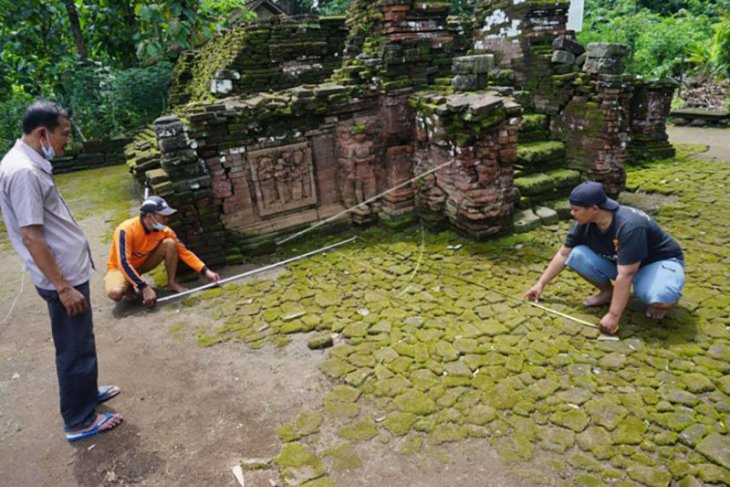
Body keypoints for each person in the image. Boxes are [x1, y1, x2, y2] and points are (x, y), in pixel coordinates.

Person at [0, 100, 123, 442]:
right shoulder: (22, 172)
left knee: (81, 339)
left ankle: (87, 392)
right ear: (42, 133)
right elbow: (32, 236)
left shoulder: (28, 162)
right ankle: (79, 420)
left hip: (67, 272)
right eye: (63, 134)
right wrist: (62, 286)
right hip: (62, 278)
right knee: (73, 347)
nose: (67, 141)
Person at [524, 181, 684, 335]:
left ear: (594, 209)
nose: (572, 214)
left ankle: (660, 301)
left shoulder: (629, 226)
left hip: (656, 262)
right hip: (621, 262)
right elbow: (563, 254)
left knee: (660, 296)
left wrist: (613, 315)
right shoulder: (583, 224)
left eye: (575, 209)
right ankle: (608, 292)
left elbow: (626, 274)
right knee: (577, 254)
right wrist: (540, 284)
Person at [105, 196, 220, 307]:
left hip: (141, 264)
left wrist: (206, 271)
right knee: (116, 293)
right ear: (150, 216)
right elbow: (124, 263)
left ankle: (172, 283)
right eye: (163, 216)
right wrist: (144, 288)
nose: (167, 219)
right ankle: (128, 284)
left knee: (170, 243)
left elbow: (184, 252)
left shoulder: (164, 231)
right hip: (119, 268)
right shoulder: (125, 230)